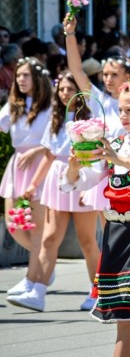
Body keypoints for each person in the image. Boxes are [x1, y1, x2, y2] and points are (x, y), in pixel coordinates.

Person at [61, 80, 130, 357]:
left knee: (126, 318)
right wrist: (74, 168)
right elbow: (85, 181)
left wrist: (120, 160)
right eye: (120, 110)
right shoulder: (114, 144)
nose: (123, 116)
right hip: (114, 233)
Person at [6, 71, 100, 312]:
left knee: (87, 240)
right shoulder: (55, 118)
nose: (65, 94)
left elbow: (93, 153)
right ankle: (37, 291)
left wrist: (87, 184)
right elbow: (48, 155)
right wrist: (33, 185)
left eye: (70, 89)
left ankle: (98, 290)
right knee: (49, 238)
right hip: (56, 178)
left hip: (80, 173)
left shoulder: (90, 119)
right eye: (62, 90)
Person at [64, 14, 130, 215]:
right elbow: (76, 70)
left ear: (127, 76)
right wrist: (70, 34)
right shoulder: (99, 99)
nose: (108, 79)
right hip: (105, 172)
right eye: (105, 74)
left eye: (114, 74)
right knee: (108, 238)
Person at [1, 57, 53, 298]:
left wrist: (37, 150)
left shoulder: (51, 106)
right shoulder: (14, 105)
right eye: (18, 75)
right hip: (17, 167)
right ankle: (42, 260)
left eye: (25, 75)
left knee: (37, 228)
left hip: (41, 166)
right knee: (14, 225)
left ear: (37, 78)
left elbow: (58, 140)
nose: (20, 80)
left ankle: (32, 280)